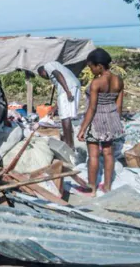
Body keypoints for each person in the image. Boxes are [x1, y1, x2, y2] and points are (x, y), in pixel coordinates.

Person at [78, 48, 124, 195]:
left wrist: (82, 129)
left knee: (93, 155)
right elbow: (119, 106)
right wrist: (115, 122)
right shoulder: (118, 80)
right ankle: (108, 186)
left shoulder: (96, 83)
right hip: (111, 118)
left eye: (91, 66)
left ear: (99, 66)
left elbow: (92, 108)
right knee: (108, 153)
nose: (90, 70)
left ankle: (91, 188)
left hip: (96, 120)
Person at [37, 61, 81, 150]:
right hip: (73, 85)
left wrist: (67, 91)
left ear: (42, 72)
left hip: (68, 87)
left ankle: (68, 144)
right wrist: (54, 108)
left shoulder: (47, 65)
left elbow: (58, 74)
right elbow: (61, 97)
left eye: (42, 76)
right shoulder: (59, 70)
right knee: (67, 115)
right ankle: (69, 141)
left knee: (65, 117)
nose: (45, 78)